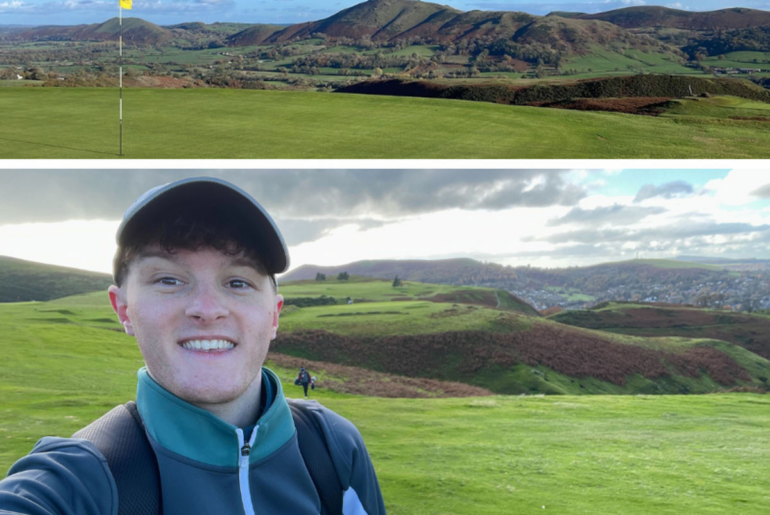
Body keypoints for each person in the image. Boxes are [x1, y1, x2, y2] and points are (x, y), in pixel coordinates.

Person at [0, 177, 386, 515]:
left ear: (274, 315)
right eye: (169, 280)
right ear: (124, 310)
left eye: (238, 282)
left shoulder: (333, 447)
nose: (207, 309)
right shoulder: (78, 478)